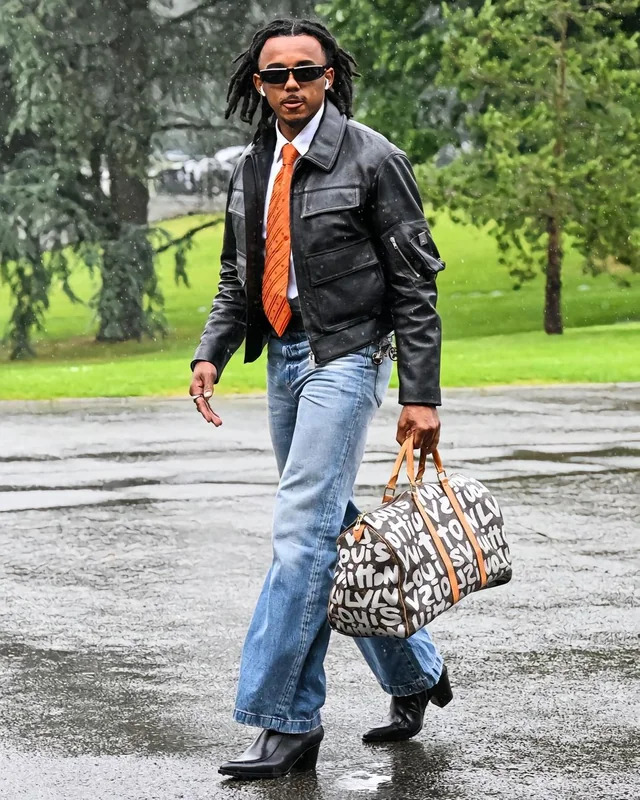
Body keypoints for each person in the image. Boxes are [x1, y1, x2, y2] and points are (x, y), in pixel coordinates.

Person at [189, 17, 451, 780]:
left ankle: (286, 722)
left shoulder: (373, 158)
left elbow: (414, 282)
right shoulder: (251, 166)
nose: (292, 85)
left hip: (348, 355)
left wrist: (420, 394)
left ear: (331, 75)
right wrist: (211, 352)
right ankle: (416, 673)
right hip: (282, 355)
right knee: (330, 528)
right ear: (259, 85)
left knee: (300, 532)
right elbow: (239, 276)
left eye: (308, 71)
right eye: (277, 76)